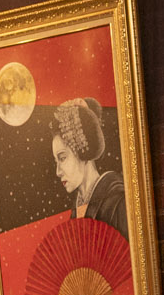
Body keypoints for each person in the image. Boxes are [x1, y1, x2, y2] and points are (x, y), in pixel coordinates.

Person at [50, 97, 127, 236]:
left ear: (82, 151)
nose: (58, 172)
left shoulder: (117, 201)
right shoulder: (77, 208)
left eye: (62, 158)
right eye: (56, 161)